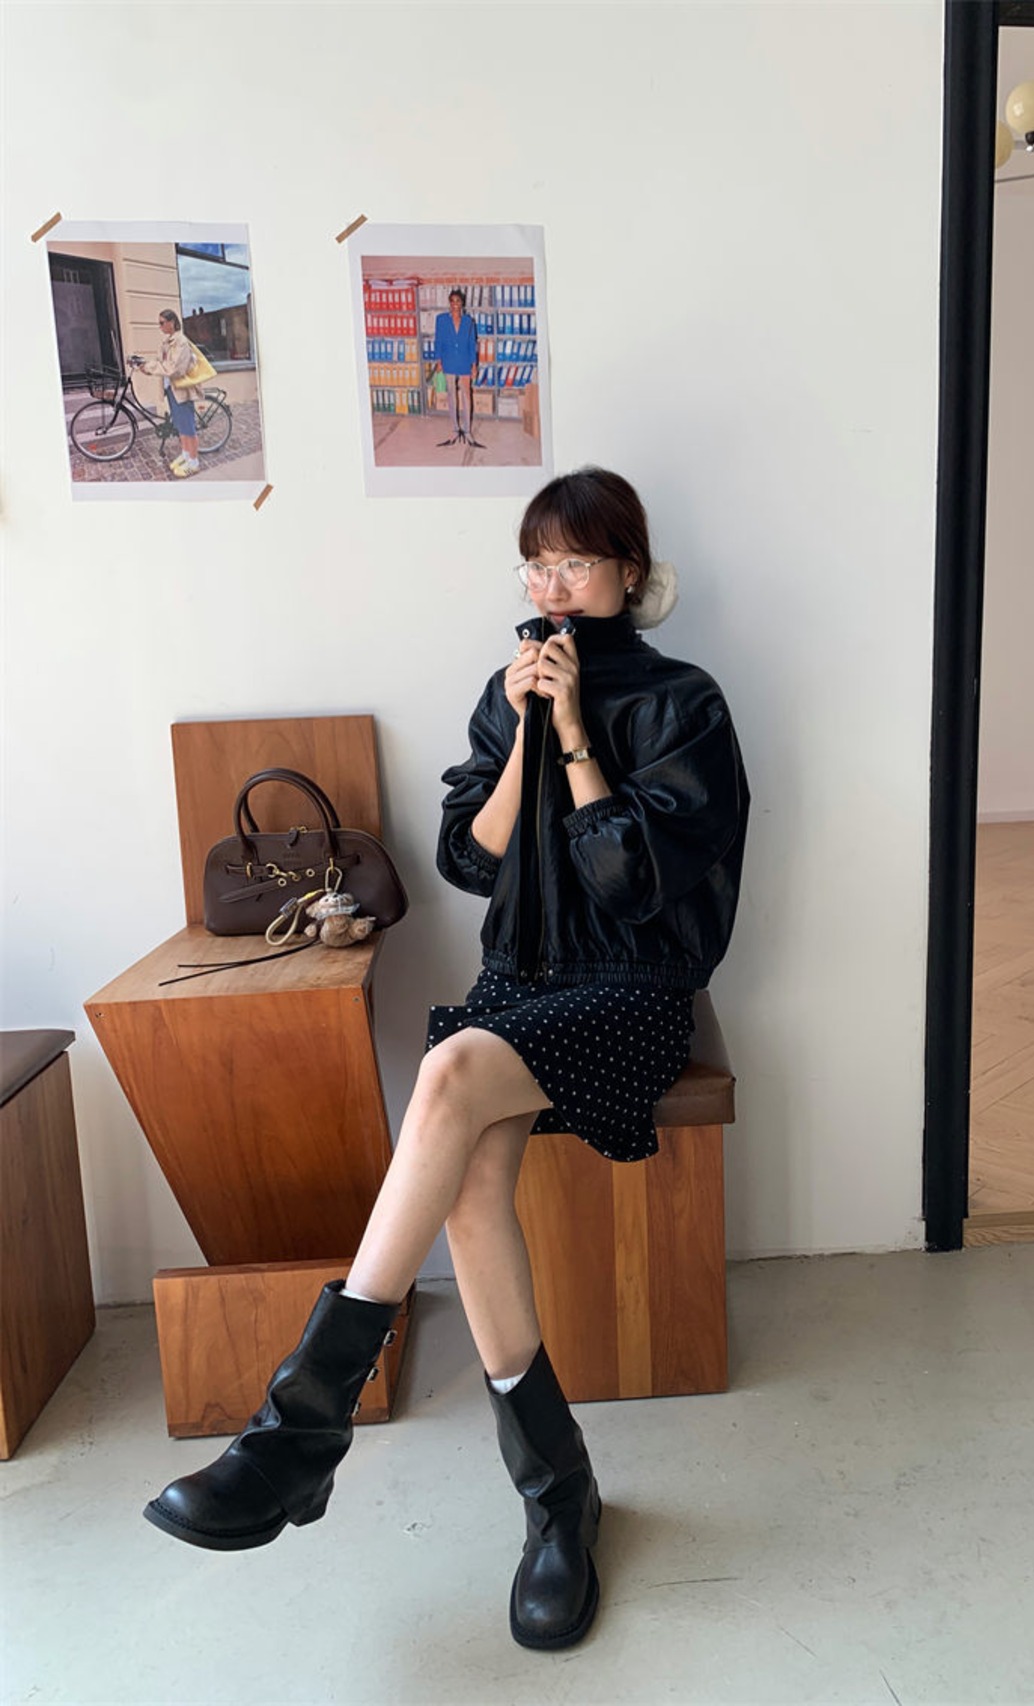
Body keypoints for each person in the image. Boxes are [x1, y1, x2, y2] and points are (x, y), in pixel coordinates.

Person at [143, 467, 750, 1652]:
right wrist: (524, 732)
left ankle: (301, 1429)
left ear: (628, 571)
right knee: (470, 1175)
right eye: (535, 562)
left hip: (633, 988)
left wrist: (575, 734)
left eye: (574, 561)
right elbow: (471, 862)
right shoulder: (500, 691)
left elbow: (632, 883)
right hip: (519, 981)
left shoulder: (686, 702)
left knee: (449, 1074)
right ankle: (556, 1496)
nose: (550, 584)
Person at [133, 309, 204, 478]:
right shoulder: (167, 342)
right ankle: (186, 456)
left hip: (182, 390)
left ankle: (194, 463)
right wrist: (144, 365)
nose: (160, 326)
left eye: (162, 323)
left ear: (172, 322)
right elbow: (160, 362)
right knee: (180, 426)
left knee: (188, 428)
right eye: (159, 323)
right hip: (171, 389)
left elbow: (175, 369)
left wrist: (150, 367)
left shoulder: (181, 342)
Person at [434, 286, 481, 448]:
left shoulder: (469, 322)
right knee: (451, 395)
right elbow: (438, 340)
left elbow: (472, 344)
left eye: (458, 301)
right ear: (449, 303)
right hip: (448, 361)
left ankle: (467, 431)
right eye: (452, 301)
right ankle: (455, 430)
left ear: (462, 303)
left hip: (464, 361)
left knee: (466, 395)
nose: (455, 304)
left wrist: (473, 365)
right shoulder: (441, 320)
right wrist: (438, 360)